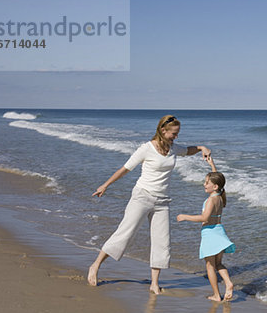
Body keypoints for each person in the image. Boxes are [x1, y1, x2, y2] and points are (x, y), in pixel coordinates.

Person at [88, 115, 211, 294]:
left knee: (162, 242)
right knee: (125, 233)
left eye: (177, 134)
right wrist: (105, 185)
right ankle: (95, 265)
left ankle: (154, 283)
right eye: (173, 134)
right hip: (142, 197)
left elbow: (187, 150)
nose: (176, 137)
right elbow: (125, 169)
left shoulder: (172, 148)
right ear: (163, 130)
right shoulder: (146, 149)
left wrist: (201, 148)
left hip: (162, 201)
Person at [176, 156, 235, 302]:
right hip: (219, 230)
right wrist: (212, 165)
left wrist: (185, 216)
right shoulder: (220, 197)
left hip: (210, 233)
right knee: (219, 263)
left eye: (206, 183)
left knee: (210, 265)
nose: (204, 184)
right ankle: (228, 282)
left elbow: (204, 218)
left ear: (214, 186)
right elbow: (218, 180)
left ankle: (216, 295)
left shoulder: (211, 200)